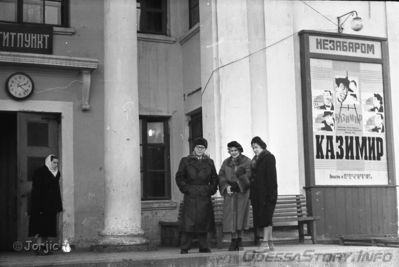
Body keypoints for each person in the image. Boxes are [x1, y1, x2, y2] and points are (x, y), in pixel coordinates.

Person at [175, 138, 218, 254]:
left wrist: (210, 189)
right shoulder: (185, 161)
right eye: (198, 147)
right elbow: (179, 177)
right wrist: (186, 189)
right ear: (193, 148)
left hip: (204, 194)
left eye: (202, 147)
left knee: (203, 221)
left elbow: (214, 178)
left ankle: (203, 246)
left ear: (205, 149)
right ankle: (185, 247)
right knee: (189, 222)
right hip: (191, 194)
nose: (200, 149)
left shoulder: (209, 162)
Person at [218, 141, 251, 251]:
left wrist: (238, 185)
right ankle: (233, 240)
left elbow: (249, 175)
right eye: (231, 151)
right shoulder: (226, 162)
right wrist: (226, 187)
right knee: (231, 216)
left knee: (241, 215)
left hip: (242, 193)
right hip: (230, 193)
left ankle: (240, 240)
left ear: (239, 150)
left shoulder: (247, 161)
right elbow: (221, 175)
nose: (233, 153)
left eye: (235, 150)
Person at [29, 154, 63, 255]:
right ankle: (38, 248)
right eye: (54, 162)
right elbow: (36, 190)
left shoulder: (57, 173)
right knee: (40, 228)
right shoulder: (40, 172)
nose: (56, 164)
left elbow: (56, 190)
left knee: (48, 228)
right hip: (41, 205)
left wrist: (58, 205)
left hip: (51, 205)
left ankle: (44, 248)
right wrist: (37, 206)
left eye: (57, 163)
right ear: (49, 161)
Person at [250, 136, 277, 251]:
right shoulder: (255, 159)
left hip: (267, 193)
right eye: (253, 148)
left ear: (262, 146)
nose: (255, 150)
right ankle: (270, 243)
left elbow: (271, 177)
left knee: (266, 218)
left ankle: (265, 243)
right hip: (258, 194)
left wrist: (271, 194)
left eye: (256, 147)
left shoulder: (268, 157)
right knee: (266, 218)